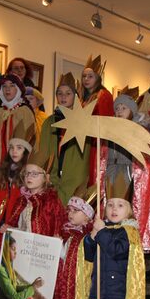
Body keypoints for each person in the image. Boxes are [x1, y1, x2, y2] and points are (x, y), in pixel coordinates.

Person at [75, 179, 146, 299]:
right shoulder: (103, 229)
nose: (114, 209)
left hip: (119, 293)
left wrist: (102, 233)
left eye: (120, 205)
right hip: (100, 290)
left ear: (130, 211)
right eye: (111, 205)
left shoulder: (128, 233)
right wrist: (91, 237)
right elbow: (89, 256)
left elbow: (116, 250)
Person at [1, 153, 66, 299]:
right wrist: (7, 228)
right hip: (23, 259)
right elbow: (15, 224)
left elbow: (60, 224)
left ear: (45, 177)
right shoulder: (22, 200)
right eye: (27, 173)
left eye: (34, 173)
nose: (29, 177)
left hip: (42, 259)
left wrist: (58, 237)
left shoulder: (52, 200)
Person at [111, 92, 150, 253]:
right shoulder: (112, 130)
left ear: (132, 110)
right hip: (118, 175)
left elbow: (147, 158)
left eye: (124, 108)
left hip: (136, 177)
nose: (119, 111)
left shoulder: (142, 128)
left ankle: (136, 240)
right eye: (117, 108)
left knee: (134, 209)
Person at [36, 72, 91, 205]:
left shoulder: (84, 121)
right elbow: (44, 150)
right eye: (60, 93)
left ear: (75, 96)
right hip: (53, 178)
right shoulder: (49, 122)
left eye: (68, 93)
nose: (63, 97)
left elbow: (86, 154)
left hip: (75, 177)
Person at [0, 125, 33, 277]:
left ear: (26, 151)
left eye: (19, 148)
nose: (14, 151)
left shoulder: (27, 176)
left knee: (14, 267)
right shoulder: (3, 173)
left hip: (16, 229)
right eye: (11, 147)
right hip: (1, 227)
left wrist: (13, 227)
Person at [78, 54, 114, 187]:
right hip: (84, 142)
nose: (86, 79)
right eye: (84, 76)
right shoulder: (83, 97)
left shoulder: (103, 95)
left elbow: (106, 122)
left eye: (90, 76)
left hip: (98, 144)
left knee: (95, 179)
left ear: (98, 78)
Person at [0, 74, 35, 164]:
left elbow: (29, 138)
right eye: (4, 86)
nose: (7, 89)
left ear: (18, 89)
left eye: (12, 86)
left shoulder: (24, 111)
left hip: (17, 162)